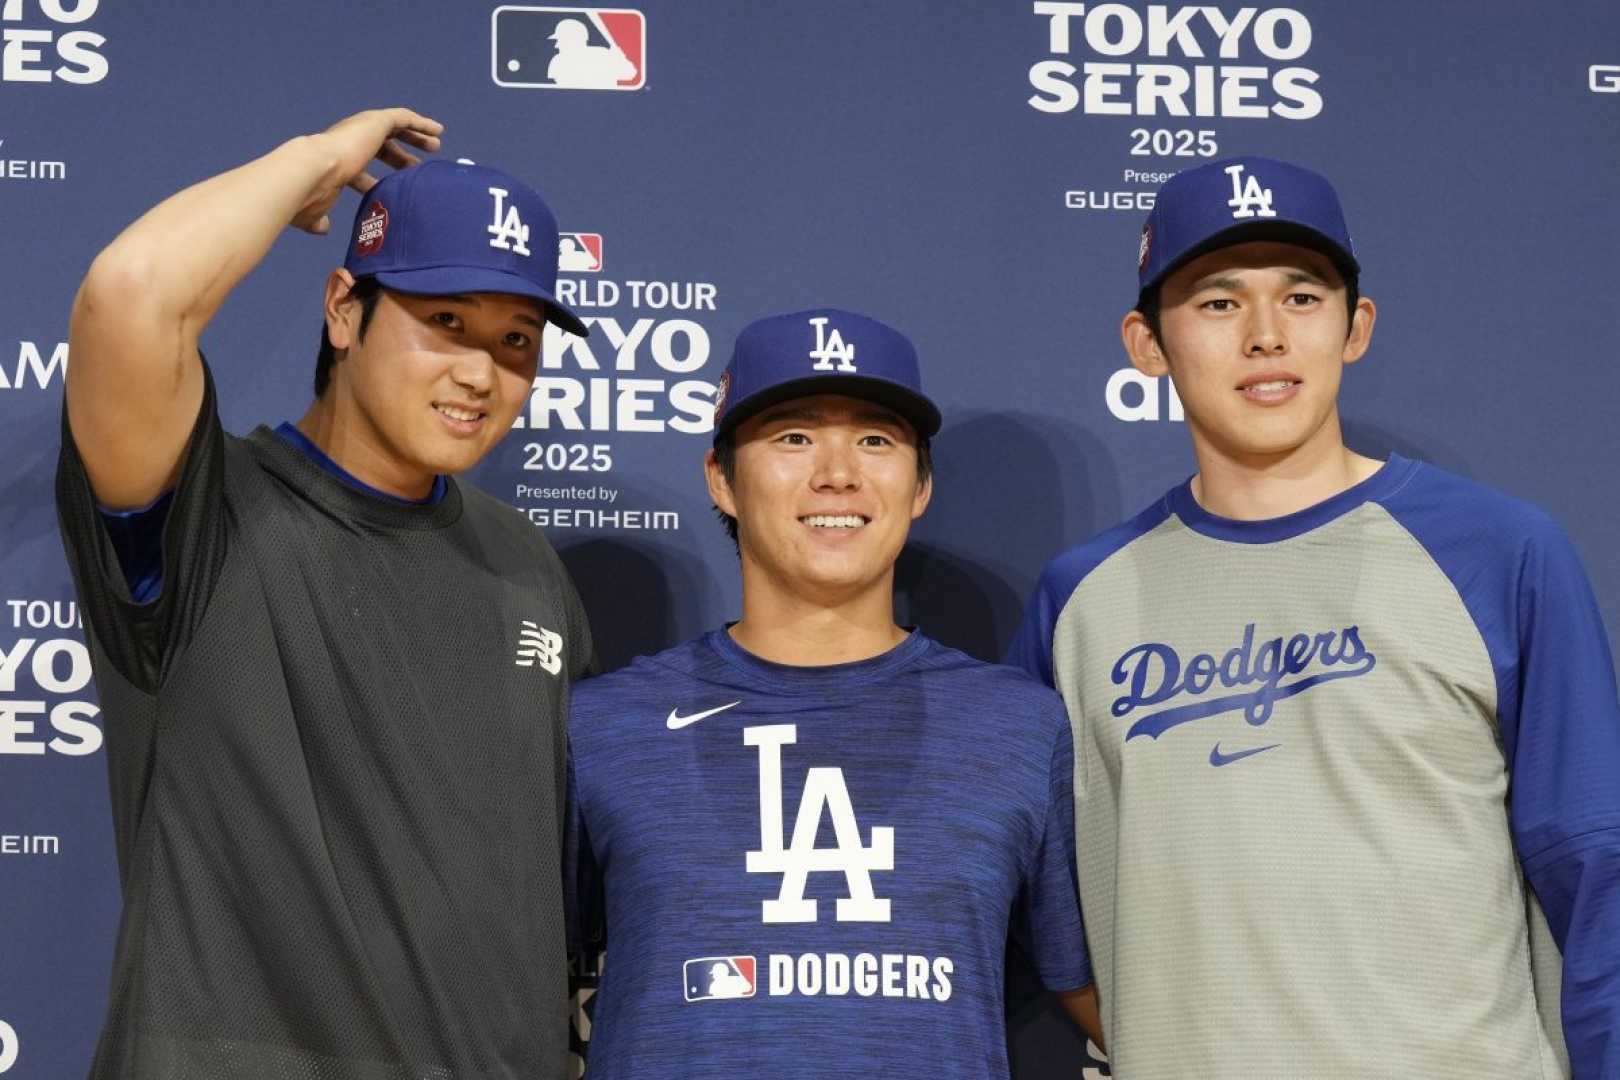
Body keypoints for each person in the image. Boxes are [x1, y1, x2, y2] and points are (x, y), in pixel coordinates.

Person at [1008, 155, 1620, 1078]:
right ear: (1147, 343)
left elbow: (1595, 870)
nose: (1266, 336)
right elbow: (1040, 903)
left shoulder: (1501, 552)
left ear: (1354, 326)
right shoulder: (1080, 598)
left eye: (1302, 297)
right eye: (1218, 303)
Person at [56, 108, 594, 1078]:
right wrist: (309, 162)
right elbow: (130, 296)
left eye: (517, 340)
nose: (481, 372)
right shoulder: (203, 510)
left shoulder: (526, 565)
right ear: (345, 310)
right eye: (445, 323)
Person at [564, 309, 1101, 1077]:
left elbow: (1108, 997)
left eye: (876, 440)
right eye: (793, 437)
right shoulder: (604, 728)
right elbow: (500, 984)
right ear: (721, 478)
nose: (838, 473)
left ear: (920, 487)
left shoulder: (1020, 727)